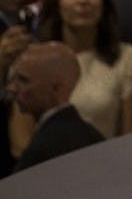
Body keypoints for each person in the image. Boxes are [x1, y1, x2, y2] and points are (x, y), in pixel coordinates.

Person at [35, 0, 132, 139]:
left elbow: (131, 142)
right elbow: (21, 144)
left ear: (103, 1)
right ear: (56, 4)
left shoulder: (128, 60)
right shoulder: (35, 62)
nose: (83, 0)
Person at [7, 42, 104, 173]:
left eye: (23, 80)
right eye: (14, 79)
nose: (12, 88)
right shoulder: (94, 136)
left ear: (57, 88)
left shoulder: (41, 150)